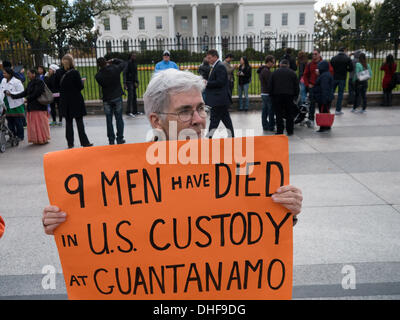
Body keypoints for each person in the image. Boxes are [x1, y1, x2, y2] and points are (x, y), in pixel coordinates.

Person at [42, 68, 303, 234]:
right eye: (185, 111)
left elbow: (255, 223)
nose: (199, 119)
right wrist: (63, 220)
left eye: (201, 108)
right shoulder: (125, 178)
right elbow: (99, 228)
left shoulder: (235, 166)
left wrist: (284, 211)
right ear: (156, 121)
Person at [58, 54, 93, 149]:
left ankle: (70, 143)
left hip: (65, 100)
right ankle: (84, 142)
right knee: (79, 122)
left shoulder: (58, 72)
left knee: (68, 123)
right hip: (76, 100)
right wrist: (82, 82)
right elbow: (80, 87)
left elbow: (57, 86)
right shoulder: (75, 72)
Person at [8, 69, 50, 145]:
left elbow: (37, 93)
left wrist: (27, 99)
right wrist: (13, 95)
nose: (27, 75)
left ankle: (43, 139)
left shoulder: (39, 82)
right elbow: (25, 93)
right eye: (27, 74)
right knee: (33, 125)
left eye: (28, 73)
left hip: (39, 107)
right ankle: (36, 139)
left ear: (34, 74)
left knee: (40, 124)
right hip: (32, 107)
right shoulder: (30, 82)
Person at [95, 57, 127, 145]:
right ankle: (120, 138)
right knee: (119, 118)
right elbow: (123, 63)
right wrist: (113, 60)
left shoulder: (98, 76)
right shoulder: (114, 68)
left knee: (109, 120)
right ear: (106, 62)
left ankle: (111, 139)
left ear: (98, 65)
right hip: (117, 96)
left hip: (107, 98)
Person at [204, 49, 235, 138]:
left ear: (215, 57)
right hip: (220, 99)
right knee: (226, 119)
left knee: (214, 120)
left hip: (219, 99)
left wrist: (207, 83)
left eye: (209, 58)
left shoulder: (219, 66)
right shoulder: (217, 66)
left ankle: (208, 138)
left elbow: (220, 82)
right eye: (207, 58)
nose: (208, 60)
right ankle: (232, 136)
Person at [268, 60, 299, 136]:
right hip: (289, 96)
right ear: (288, 65)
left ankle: (280, 131)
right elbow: (296, 86)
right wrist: (295, 96)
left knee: (278, 114)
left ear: (280, 64)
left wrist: (271, 95)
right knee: (289, 114)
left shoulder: (274, 73)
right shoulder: (292, 73)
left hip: (277, 96)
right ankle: (290, 131)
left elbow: (270, 85)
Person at [303, 49, 333, 127]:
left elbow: (330, 72)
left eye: (316, 54)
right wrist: (307, 84)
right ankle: (311, 120)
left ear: (319, 54)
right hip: (312, 87)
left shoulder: (325, 64)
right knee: (311, 104)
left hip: (321, 87)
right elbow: (305, 75)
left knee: (322, 105)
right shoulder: (310, 64)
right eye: (313, 54)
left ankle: (324, 122)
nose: (314, 56)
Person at [0, 68, 25, 142]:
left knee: (18, 121)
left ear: (10, 74)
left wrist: (11, 93)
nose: (3, 75)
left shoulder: (17, 81)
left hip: (16, 104)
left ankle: (20, 136)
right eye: (3, 73)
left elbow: (21, 92)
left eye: (5, 73)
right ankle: (13, 136)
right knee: (10, 122)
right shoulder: (3, 81)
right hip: (6, 104)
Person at [330, 47, 353, 115]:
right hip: (342, 78)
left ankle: (327, 107)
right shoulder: (347, 58)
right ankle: (338, 110)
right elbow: (351, 68)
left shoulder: (333, 58)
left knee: (331, 93)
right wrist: (346, 69)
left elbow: (331, 67)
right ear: (344, 50)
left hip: (334, 77)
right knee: (340, 94)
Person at [313, 60, 334, 133]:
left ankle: (323, 127)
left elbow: (324, 88)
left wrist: (324, 100)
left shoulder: (324, 76)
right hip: (326, 97)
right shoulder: (326, 74)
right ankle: (327, 126)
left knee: (323, 112)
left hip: (323, 98)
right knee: (326, 112)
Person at [257, 55, 275, 131]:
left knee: (265, 110)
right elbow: (269, 83)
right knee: (270, 111)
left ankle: (265, 125)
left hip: (264, 92)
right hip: (267, 93)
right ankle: (270, 126)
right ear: (269, 62)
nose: (273, 64)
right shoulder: (266, 71)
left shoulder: (263, 70)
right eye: (273, 62)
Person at [123, 52, 140, 117]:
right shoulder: (127, 63)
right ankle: (128, 111)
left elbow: (135, 73)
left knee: (134, 96)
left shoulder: (134, 64)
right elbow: (124, 73)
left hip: (133, 82)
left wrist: (137, 82)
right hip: (128, 82)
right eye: (133, 56)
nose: (135, 57)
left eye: (135, 56)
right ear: (131, 57)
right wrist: (124, 83)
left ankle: (135, 111)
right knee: (130, 97)